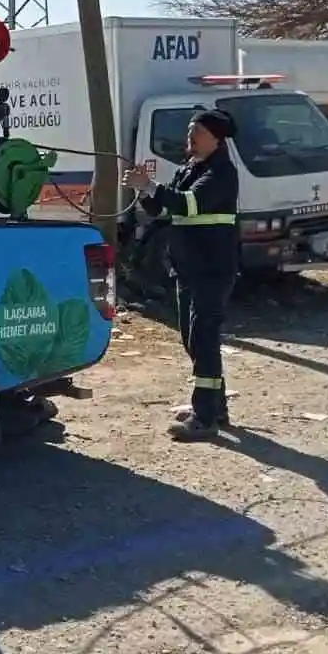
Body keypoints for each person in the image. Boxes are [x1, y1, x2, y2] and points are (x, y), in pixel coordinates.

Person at [121, 107, 240, 442]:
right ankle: (214, 407)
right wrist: (141, 189)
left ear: (216, 139)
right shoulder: (188, 169)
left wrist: (152, 186)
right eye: (189, 131)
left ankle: (204, 418)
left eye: (197, 131)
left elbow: (188, 204)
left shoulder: (221, 173)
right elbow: (158, 209)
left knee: (203, 339)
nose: (189, 136)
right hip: (187, 270)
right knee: (193, 340)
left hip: (212, 271)